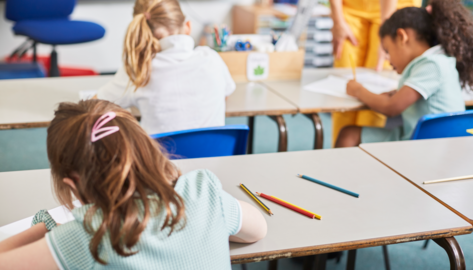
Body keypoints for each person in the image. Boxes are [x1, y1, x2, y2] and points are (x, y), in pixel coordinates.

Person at [0, 99, 267, 269]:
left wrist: (43, 228)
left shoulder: (87, 236)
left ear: (73, 183)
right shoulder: (203, 190)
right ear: (145, 148)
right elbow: (257, 230)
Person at [335, 0, 473, 147]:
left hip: (428, 144)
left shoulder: (432, 65)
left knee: (348, 135)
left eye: (387, 50)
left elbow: (391, 108)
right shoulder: (436, 60)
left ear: (402, 37)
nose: (387, 57)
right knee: (349, 133)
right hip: (431, 139)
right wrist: (396, 93)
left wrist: (358, 90)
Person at [96, 0, 235, 135]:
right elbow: (226, 96)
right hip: (215, 156)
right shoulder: (212, 58)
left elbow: (95, 106)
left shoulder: (140, 69)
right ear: (188, 26)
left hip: (160, 158)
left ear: (141, 32)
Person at [329, 0, 422, 145]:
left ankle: (368, 155)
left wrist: (386, 34)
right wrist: (337, 19)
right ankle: (340, 154)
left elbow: (390, 107)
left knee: (377, 89)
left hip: (395, 9)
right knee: (343, 92)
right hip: (352, 8)